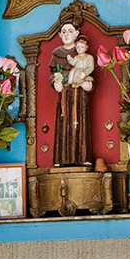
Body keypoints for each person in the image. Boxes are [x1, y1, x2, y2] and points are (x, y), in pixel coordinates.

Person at [49, 22, 93, 166]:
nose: (67, 34)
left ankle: (83, 158)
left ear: (76, 33)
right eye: (64, 31)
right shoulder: (56, 54)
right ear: (60, 35)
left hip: (79, 93)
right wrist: (55, 83)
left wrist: (89, 84)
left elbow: (88, 70)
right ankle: (61, 159)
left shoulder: (82, 53)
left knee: (81, 123)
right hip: (64, 93)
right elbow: (52, 74)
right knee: (63, 125)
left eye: (70, 31)